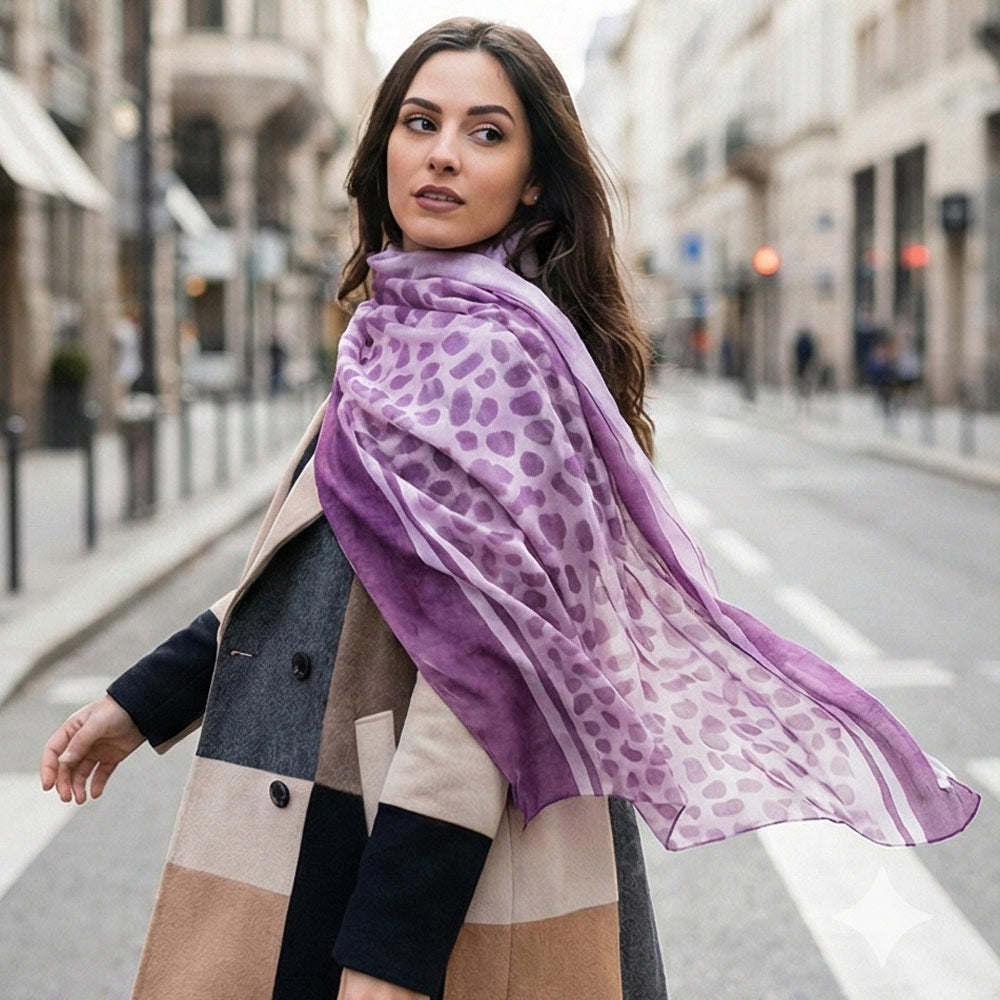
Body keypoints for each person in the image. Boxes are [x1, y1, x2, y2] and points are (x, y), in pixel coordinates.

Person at [40, 18, 977, 1000]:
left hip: (427, 851)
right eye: (418, 121)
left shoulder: (504, 369)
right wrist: (142, 699)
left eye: (485, 132)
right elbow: (316, 578)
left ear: (533, 177)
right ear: (382, 150)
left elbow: (485, 687)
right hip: (327, 793)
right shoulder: (393, 338)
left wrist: (389, 954)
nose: (442, 152)